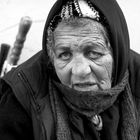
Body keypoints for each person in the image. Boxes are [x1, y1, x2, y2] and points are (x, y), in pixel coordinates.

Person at [0, 0, 140, 139]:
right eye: (65, 55)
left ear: (117, 53)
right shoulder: (21, 97)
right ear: (51, 57)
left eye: (93, 53)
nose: (79, 71)